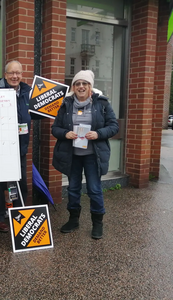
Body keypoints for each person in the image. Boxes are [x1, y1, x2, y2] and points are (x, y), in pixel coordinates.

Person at [51, 70, 119, 239]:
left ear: (90, 87)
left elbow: (113, 126)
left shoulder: (102, 104)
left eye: (85, 83)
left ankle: (97, 223)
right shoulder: (65, 104)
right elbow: (55, 128)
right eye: (78, 84)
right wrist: (65, 133)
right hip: (72, 154)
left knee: (94, 189)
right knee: (73, 188)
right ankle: (73, 220)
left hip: (93, 155)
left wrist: (98, 134)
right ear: (73, 87)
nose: (81, 86)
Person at [0, 60, 32, 233]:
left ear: (22, 74)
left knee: (20, 181)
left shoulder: (28, 92)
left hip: (20, 146)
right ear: (5, 74)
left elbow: (36, 115)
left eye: (18, 73)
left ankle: (19, 215)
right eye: (11, 73)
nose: (15, 76)